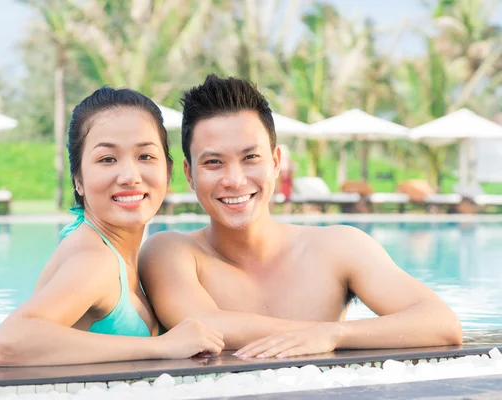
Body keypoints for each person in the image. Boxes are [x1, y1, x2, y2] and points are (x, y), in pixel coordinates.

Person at [139, 75, 462, 359]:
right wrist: (318, 330)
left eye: (250, 157)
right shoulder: (170, 251)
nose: (234, 180)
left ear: (276, 162)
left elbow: (441, 323)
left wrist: (333, 335)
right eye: (213, 163)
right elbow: (202, 325)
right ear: (189, 173)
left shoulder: (338, 247)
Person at [0, 87, 223, 366]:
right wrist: (161, 345)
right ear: (78, 179)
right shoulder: (96, 261)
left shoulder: (123, 255)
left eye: (145, 156)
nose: (129, 176)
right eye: (107, 159)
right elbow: (9, 344)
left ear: (168, 171)